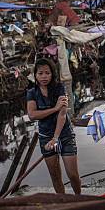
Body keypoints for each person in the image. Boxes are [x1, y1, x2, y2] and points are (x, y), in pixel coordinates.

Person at [26, 58, 81, 194]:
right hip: (46, 137)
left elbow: (62, 115)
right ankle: (62, 202)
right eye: (40, 73)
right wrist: (54, 109)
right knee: (55, 176)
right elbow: (32, 115)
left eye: (47, 73)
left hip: (64, 135)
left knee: (73, 175)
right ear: (35, 75)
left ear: (52, 74)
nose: (44, 77)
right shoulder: (32, 93)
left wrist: (56, 138)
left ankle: (79, 198)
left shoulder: (59, 89)